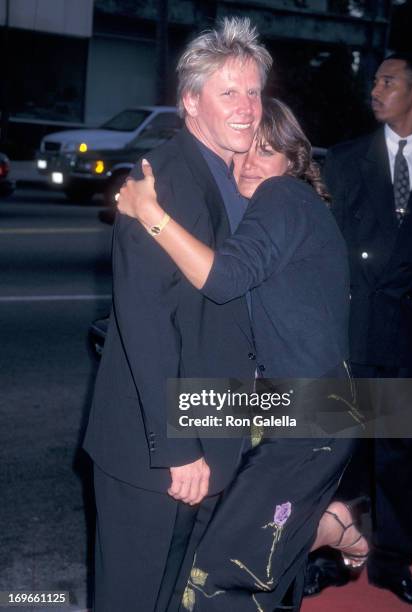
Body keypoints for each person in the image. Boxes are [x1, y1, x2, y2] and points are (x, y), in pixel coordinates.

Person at [117, 97, 368, 611]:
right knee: (175, 419)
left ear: (292, 162)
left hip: (312, 416)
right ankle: (324, 522)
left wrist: (150, 214)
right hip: (300, 403)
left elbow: (223, 278)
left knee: (221, 575)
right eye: (244, 152)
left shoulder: (283, 197)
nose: (250, 163)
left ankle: (327, 524)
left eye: (267, 152)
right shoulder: (282, 215)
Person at [83, 17, 274, 612]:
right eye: (229, 92)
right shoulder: (161, 178)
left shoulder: (229, 176)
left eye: (253, 91)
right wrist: (176, 447)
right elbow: (143, 320)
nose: (247, 108)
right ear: (190, 101)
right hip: (160, 453)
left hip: (214, 428)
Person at [305, 52, 412, 606]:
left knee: (398, 456)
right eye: (374, 79)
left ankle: (392, 561)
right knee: (338, 450)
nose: (375, 89)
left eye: (389, 81)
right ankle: (330, 556)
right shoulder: (346, 161)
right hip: (348, 330)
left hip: (406, 333)